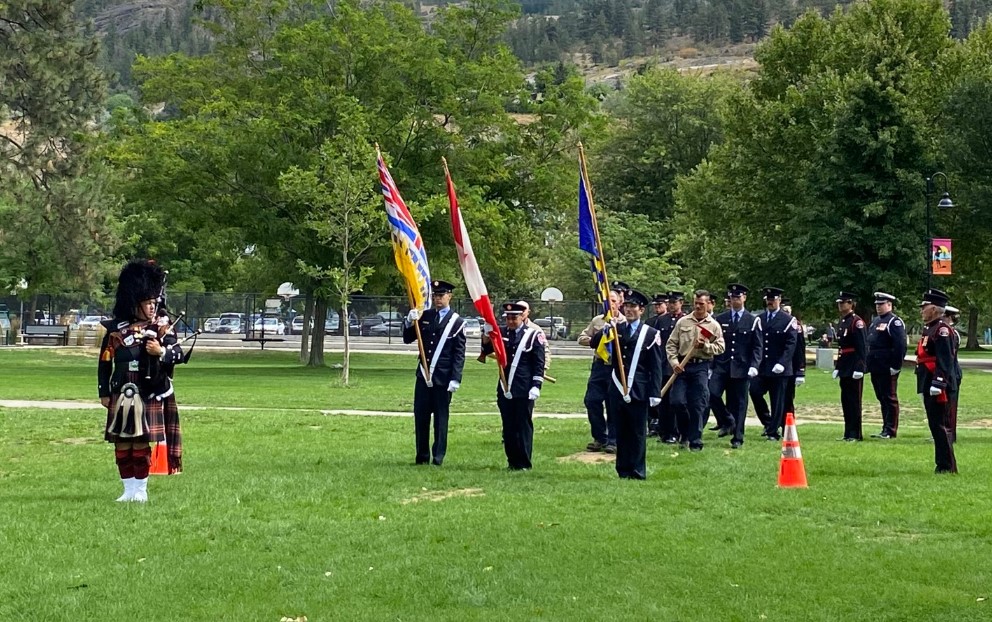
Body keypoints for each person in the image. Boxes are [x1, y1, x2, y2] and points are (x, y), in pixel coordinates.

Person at [98, 259, 185, 503]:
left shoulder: (162, 327)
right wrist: (104, 391)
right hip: (121, 389)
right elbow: (104, 362)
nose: (152, 308)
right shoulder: (115, 329)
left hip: (148, 390)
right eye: (147, 303)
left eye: (154, 303)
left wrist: (161, 352)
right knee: (122, 443)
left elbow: (177, 354)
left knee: (141, 443)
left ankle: (141, 491)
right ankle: (127, 490)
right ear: (134, 302)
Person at [591, 290, 663, 479]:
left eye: (634, 307)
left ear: (641, 310)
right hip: (617, 387)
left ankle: (637, 470)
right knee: (621, 430)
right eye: (627, 307)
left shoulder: (651, 334)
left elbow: (655, 366)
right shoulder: (617, 329)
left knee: (637, 431)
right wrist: (606, 329)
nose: (629, 310)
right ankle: (623, 469)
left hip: (639, 388)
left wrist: (655, 392)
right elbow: (593, 343)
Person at [403, 279, 466, 466]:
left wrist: (456, 378)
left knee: (440, 419)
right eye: (435, 295)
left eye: (441, 295)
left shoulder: (457, 322)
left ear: (450, 296)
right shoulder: (425, 315)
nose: (438, 299)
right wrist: (408, 321)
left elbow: (459, 353)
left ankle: (438, 457)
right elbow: (408, 339)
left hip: (443, 378)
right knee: (421, 417)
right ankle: (422, 457)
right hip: (423, 375)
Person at [482, 302, 545, 470]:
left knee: (523, 425)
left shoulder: (533, 335)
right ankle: (512, 462)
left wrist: (536, 385)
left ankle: (524, 462)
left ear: (522, 316)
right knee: (508, 426)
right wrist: (486, 333)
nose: (510, 321)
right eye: (508, 318)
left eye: (514, 317)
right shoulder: (501, 333)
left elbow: (538, 363)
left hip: (524, 388)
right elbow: (486, 349)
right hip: (505, 386)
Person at [666, 290, 725, 451]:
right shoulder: (683, 322)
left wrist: (705, 346)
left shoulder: (713, 325)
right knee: (677, 401)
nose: (698, 306)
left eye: (701, 303)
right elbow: (671, 344)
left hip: (701, 366)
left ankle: (695, 441)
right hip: (682, 367)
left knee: (698, 404)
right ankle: (684, 434)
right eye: (696, 303)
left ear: (708, 304)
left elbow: (720, 347)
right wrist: (674, 362)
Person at [710, 284, 763, 449]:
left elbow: (757, 346)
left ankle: (738, 437)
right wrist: (711, 365)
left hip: (741, 367)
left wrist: (754, 365)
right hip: (722, 365)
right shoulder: (721, 319)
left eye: (738, 297)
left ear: (744, 298)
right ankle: (727, 419)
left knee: (740, 403)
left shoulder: (753, 320)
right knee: (711, 393)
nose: (735, 300)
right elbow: (714, 343)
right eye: (732, 297)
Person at [577, 290, 625, 453]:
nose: (610, 304)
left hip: (616, 367)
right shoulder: (598, 321)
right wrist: (597, 338)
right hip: (599, 366)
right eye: (607, 300)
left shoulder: (625, 322)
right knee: (592, 401)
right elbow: (582, 338)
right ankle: (600, 437)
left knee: (613, 404)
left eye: (613, 300)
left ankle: (613, 440)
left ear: (619, 303)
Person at [915, 289, 957, 473]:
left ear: (934, 309)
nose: (921, 310)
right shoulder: (929, 328)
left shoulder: (942, 330)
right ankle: (941, 463)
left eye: (924, 307)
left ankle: (946, 466)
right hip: (927, 380)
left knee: (940, 425)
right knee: (934, 424)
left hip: (939, 384)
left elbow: (945, 359)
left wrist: (939, 382)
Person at [748, 287, 798, 441]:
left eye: (773, 300)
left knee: (778, 401)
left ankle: (773, 431)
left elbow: (791, 344)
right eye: (768, 300)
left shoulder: (788, 320)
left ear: (779, 301)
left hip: (780, 368)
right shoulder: (759, 319)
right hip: (763, 367)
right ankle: (768, 423)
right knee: (755, 392)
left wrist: (783, 362)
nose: (770, 302)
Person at [866, 292, 907, 439]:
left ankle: (890, 429)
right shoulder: (876, 321)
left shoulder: (894, 322)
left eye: (881, 304)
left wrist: (896, 366)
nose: (878, 307)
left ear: (889, 305)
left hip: (887, 366)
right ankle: (885, 427)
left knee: (889, 398)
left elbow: (900, 345)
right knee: (881, 397)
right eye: (877, 304)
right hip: (876, 366)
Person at [832, 291, 867, 441]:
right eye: (839, 303)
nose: (840, 305)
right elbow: (842, 348)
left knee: (854, 401)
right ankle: (848, 432)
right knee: (846, 400)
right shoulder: (843, 321)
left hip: (854, 364)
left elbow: (862, 347)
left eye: (843, 302)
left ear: (851, 303)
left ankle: (855, 433)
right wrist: (838, 367)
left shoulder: (856, 322)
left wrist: (860, 367)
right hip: (845, 364)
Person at [656, 291, 686, 444]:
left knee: (676, 400)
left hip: (678, 365)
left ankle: (675, 432)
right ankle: (663, 432)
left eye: (675, 303)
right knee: (663, 400)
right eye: (670, 303)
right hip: (663, 364)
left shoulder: (686, 320)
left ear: (681, 303)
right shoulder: (662, 320)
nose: (672, 306)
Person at [646, 293, 669, 436]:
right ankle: (652, 421)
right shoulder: (650, 321)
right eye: (655, 305)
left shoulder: (670, 321)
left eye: (660, 305)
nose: (657, 307)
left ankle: (662, 422)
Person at [781, 300, 806, 417]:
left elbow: (800, 348)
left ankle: (788, 423)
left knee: (787, 398)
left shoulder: (796, 325)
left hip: (791, 365)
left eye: (787, 310)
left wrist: (800, 370)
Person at [944, 305, 963, 443]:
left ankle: (950, 434)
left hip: (952, 373)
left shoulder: (952, 333)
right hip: (949, 372)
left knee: (950, 407)